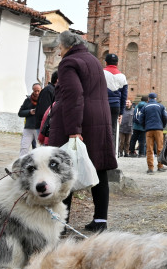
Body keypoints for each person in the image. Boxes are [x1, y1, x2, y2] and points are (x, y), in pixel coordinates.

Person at [49, 30, 117, 233]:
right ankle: (100, 220)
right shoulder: (94, 60)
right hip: (99, 119)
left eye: (59, 48)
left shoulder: (69, 63)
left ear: (66, 46)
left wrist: (73, 129)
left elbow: (73, 96)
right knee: (99, 169)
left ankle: (62, 222)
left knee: (65, 168)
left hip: (80, 121)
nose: (59, 53)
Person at [103, 53, 128, 155]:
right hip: (116, 106)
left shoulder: (101, 73)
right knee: (113, 130)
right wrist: (121, 112)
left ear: (105, 62)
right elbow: (124, 96)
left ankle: (102, 152)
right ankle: (112, 154)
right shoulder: (122, 76)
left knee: (102, 128)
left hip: (103, 105)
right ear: (117, 63)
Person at [140, 93, 167, 174]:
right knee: (160, 148)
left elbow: (140, 118)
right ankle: (160, 166)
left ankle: (150, 168)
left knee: (149, 149)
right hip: (159, 129)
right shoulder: (161, 106)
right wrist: (162, 125)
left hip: (149, 130)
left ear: (148, 98)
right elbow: (165, 117)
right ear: (155, 98)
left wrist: (145, 126)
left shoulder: (145, 106)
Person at [18, 83, 41, 157]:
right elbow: (20, 113)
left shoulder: (44, 100)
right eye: (35, 91)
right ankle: (21, 164)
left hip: (39, 128)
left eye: (38, 91)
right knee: (24, 147)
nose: (36, 93)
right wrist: (29, 111)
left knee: (41, 148)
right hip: (28, 127)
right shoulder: (28, 100)